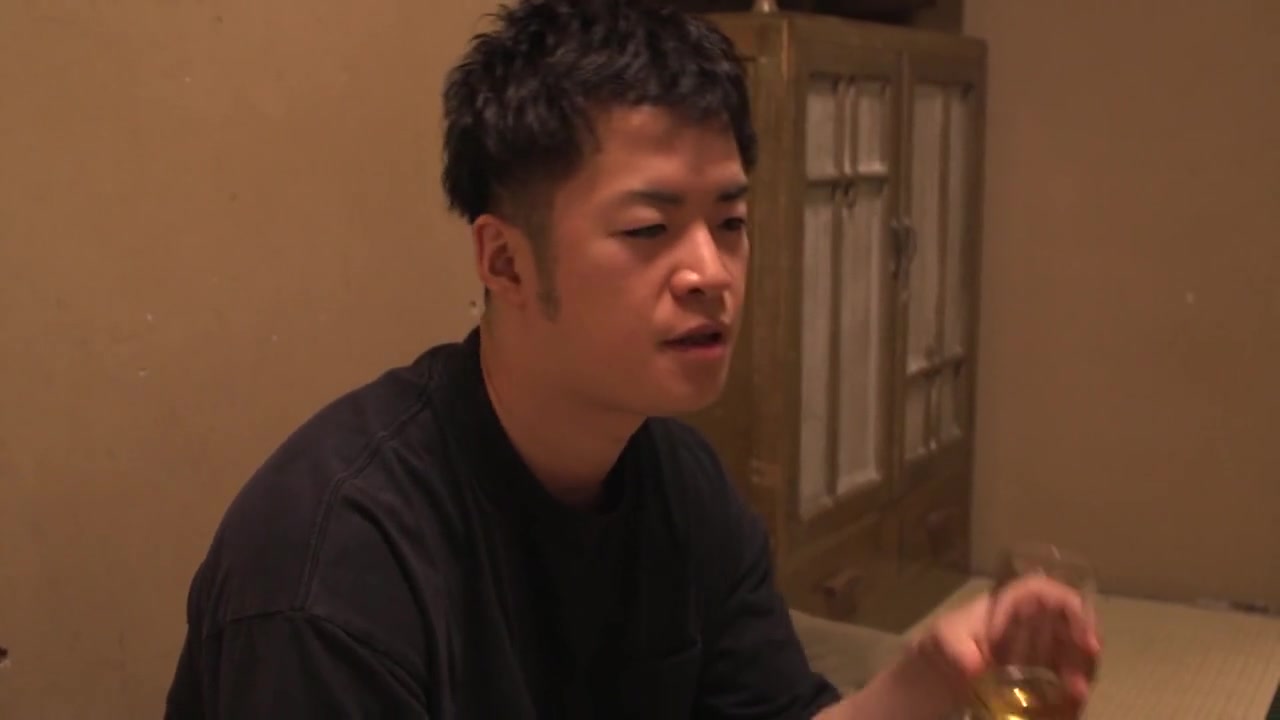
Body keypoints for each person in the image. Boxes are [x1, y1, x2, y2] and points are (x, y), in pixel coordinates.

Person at [164, 0, 1101, 717]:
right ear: (505, 262)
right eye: (649, 229)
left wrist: (927, 682)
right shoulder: (336, 570)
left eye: (730, 222)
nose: (712, 273)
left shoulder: (677, 479)